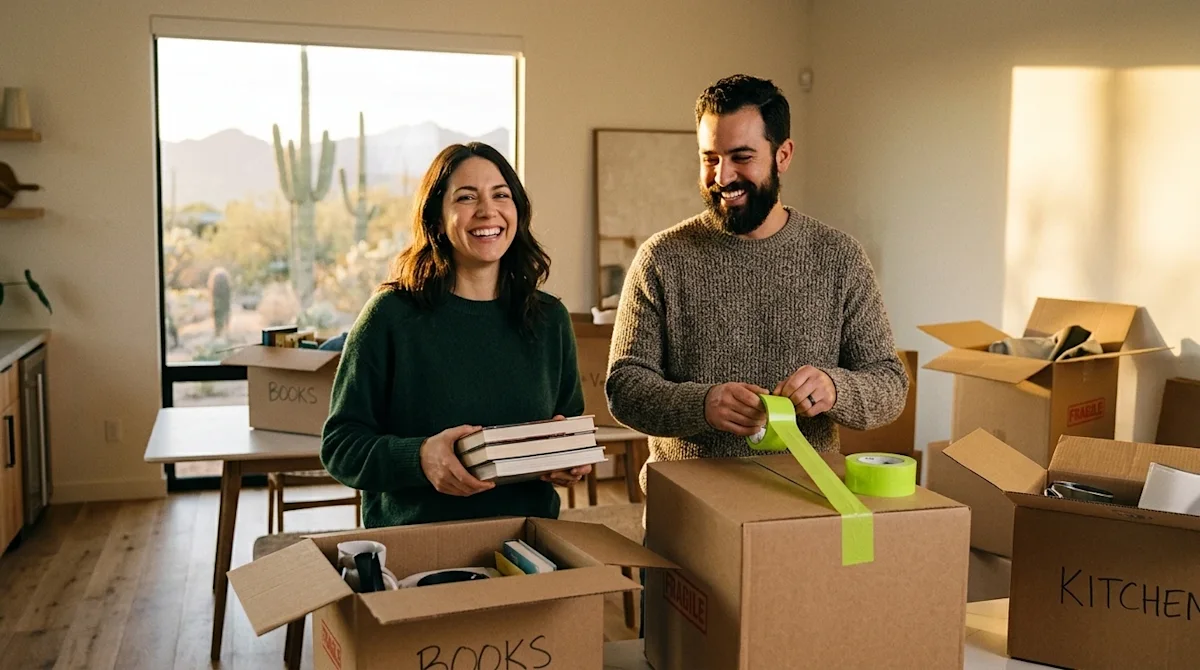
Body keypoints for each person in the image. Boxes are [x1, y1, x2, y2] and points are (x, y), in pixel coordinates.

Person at [606, 74, 910, 499]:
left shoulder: (839, 257)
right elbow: (625, 388)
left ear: (782, 155)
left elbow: (889, 384)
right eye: (709, 157)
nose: (722, 175)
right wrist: (703, 404)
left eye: (741, 157)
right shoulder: (662, 258)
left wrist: (834, 388)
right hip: (687, 506)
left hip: (806, 498)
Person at [321, 142, 591, 528]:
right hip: (418, 545)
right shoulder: (390, 317)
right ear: (436, 218)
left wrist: (567, 458)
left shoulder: (550, 319)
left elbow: (567, 421)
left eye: (501, 195)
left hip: (529, 539)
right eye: (467, 197)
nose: (488, 210)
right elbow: (340, 447)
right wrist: (420, 457)